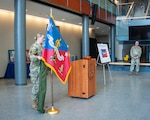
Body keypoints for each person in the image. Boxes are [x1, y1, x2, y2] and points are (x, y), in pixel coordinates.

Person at [29, 33, 47, 113]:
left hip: (41, 69)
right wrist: (37, 57)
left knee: (40, 86)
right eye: (43, 38)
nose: (44, 39)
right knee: (36, 86)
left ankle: (39, 102)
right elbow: (31, 57)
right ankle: (34, 102)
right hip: (35, 70)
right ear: (38, 38)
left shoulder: (41, 46)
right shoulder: (34, 46)